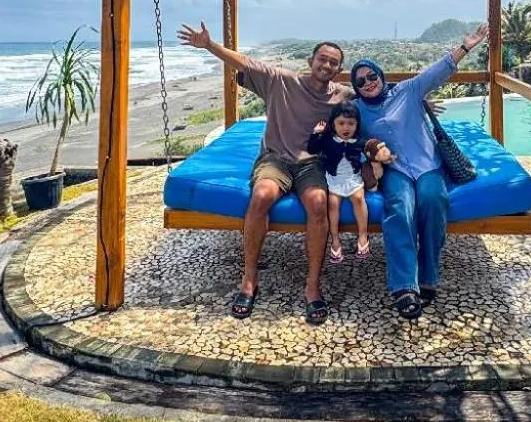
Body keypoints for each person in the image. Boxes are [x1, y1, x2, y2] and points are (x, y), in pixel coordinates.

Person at [176, 22, 345, 325]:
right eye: (323, 59)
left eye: (334, 62)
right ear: (311, 61)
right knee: (262, 195)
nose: (327, 65)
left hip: (311, 164)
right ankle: (250, 278)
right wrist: (210, 45)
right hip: (276, 158)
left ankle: (312, 285)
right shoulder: (282, 81)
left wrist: (418, 101)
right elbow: (245, 63)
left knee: (319, 203)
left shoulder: (341, 95)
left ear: (337, 69)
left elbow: (379, 95)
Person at [352, 25, 488, 321]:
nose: (368, 83)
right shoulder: (357, 110)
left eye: (372, 76)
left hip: (427, 163)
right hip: (396, 170)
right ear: (357, 87)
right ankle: (404, 286)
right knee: (399, 210)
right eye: (361, 81)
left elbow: (438, 71)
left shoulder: (408, 90)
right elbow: (341, 128)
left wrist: (467, 46)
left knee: (432, 200)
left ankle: (428, 275)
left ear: (380, 75)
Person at [307, 101, 388, 265]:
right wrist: (317, 133)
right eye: (341, 123)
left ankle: (363, 236)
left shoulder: (359, 140)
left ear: (357, 125)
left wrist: (379, 153)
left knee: (359, 199)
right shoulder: (328, 139)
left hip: (353, 177)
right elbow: (311, 149)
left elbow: (372, 147)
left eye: (351, 123)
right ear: (333, 124)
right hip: (334, 178)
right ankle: (335, 240)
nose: (346, 128)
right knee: (333, 202)